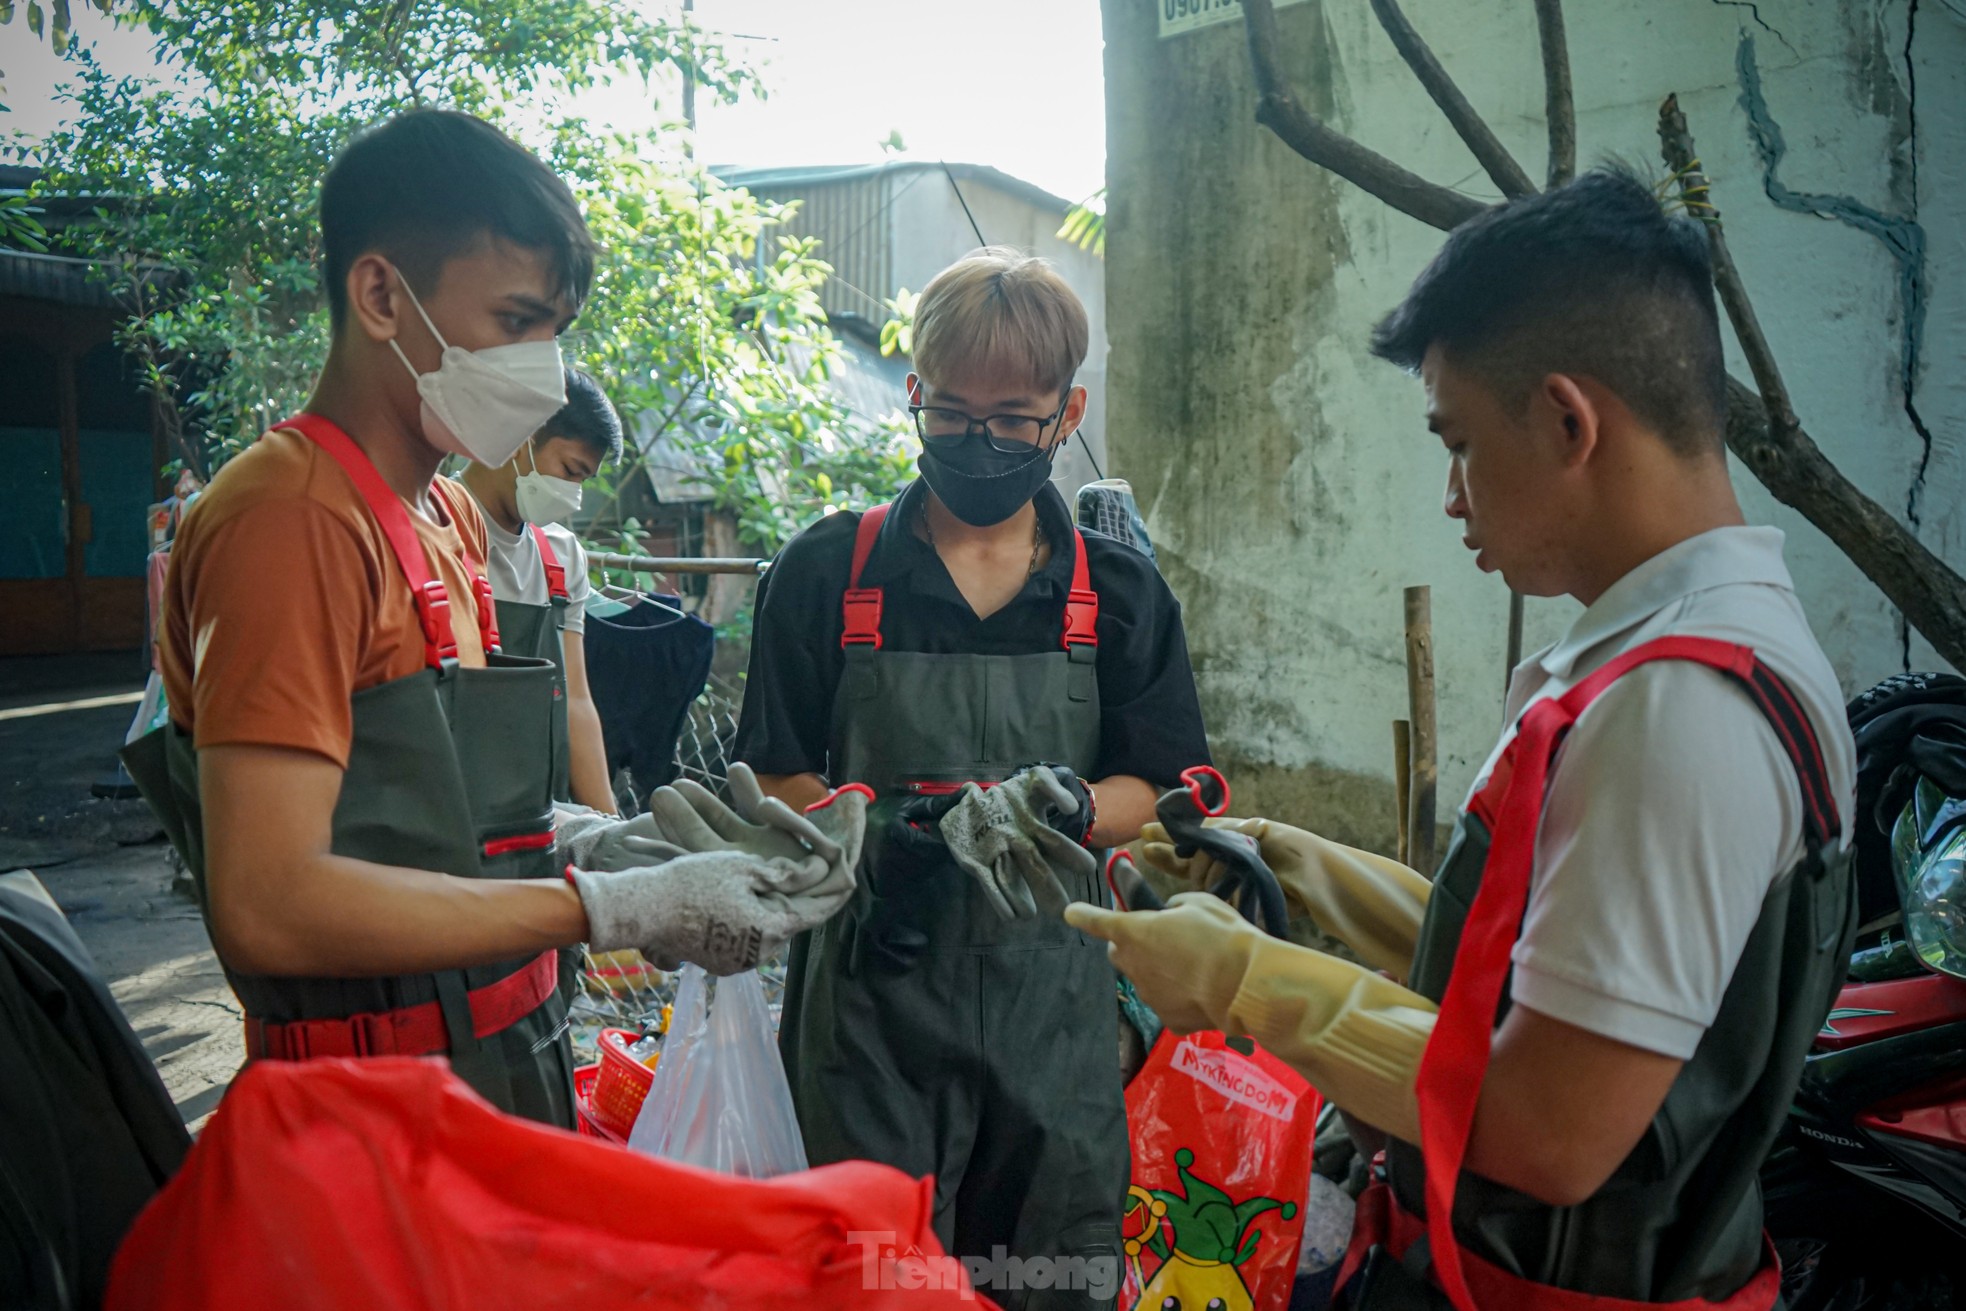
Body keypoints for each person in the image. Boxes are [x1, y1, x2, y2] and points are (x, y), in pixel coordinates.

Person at [1070, 169, 1859, 1311]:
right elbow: (1570, 970)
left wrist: (1248, 984)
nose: (1451, 496)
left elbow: (1548, 1130)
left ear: (1565, 420)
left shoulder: (1676, 712)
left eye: (1459, 442)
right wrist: (1332, 883)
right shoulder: (1711, 649)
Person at [121, 108, 861, 1129]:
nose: (543, 371)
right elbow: (272, 904)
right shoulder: (290, 521)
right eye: (516, 323)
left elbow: (450, 823)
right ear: (382, 294)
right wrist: (610, 908)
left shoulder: (450, 516)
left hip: (504, 1056)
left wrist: (613, 847)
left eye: (555, 333)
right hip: (371, 1111)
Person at [733, 247, 1211, 1306]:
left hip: (1054, 1010)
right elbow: (770, 774)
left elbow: (1165, 786)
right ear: (912, 396)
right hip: (868, 1001)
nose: (979, 440)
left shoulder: (1118, 594)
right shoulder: (827, 573)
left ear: (1066, 410)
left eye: (1012, 417)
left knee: (1048, 1274)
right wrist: (870, 829)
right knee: (866, 1277)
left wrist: (1077, 808)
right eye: (951, 413)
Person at [458, 366, 620, 811]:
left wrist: (608, 824)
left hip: (539, 814)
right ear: (520, 436)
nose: (572, 494)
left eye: (583, 480)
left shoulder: (563, 559)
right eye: (570, 470)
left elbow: (577, 704)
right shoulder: (435, 532)